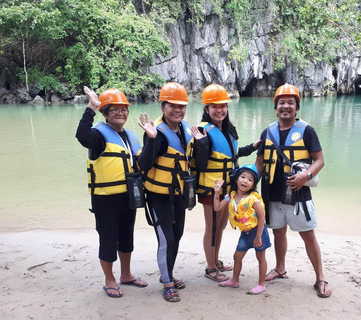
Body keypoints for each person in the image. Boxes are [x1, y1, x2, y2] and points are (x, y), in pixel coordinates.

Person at [254, 83, 332, 298]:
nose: (285, 106)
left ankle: (320, 277)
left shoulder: (307, 130)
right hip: (272, 192)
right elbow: (259, 163)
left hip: (299, 192)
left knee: (308, 235)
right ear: (275, 107)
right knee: (278, 231)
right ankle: (280, 268)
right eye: (281, 103)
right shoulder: (267, 131)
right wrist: (248, 185)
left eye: (290, 103)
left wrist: (305, 176)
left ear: (297, 107)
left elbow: (320, 160)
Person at [76, 87, 148, 298]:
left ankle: (126, 274)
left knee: (127, 237)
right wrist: (91, 107)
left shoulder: (131, 136)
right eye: (114, 110)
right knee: (108, 239)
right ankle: (109, 279)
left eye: (124, 109)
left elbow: (143, 162)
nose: (120, 113)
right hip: (105, 199)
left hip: (129, 196)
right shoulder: (97, 135)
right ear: (105, 113)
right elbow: (81, 136)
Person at [190, 84, 260, 282]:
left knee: (220, 227)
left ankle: (216, 260)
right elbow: (201, 163)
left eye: (223, 106)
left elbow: (231, 155)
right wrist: (201, 144)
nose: (219, 110)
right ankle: (210, 267)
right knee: (211, 228)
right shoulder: (202, 131)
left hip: (227, 187)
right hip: (212, 188)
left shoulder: (227, 129)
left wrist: (253, 147)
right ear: (206, 109)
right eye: (214, 106)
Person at [137, 82, 195, 303]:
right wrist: (151, 140)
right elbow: (143, 164)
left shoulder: (184, 130)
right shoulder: (157, 132)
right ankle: (167, 283)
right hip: (158, 196)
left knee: (177, 236)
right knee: (166, 240)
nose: (178, 110)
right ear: (163, 108)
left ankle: (168, 274)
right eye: (172, 106)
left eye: (181, 106)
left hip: (178, 194)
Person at [213, 164, 271, 295]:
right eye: (243, 177)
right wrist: (217, 192)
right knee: (237, 257)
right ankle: (235, 280)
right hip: (245, 233)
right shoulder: (231, 196)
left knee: (260, 257)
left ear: (253, 185)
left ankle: (261, 284)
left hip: (258, 232)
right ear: (236, 179)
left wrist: (258, 237)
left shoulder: (253, 199)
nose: (245, 181)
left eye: (250, 179)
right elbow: (217, 207)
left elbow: (262, 218)